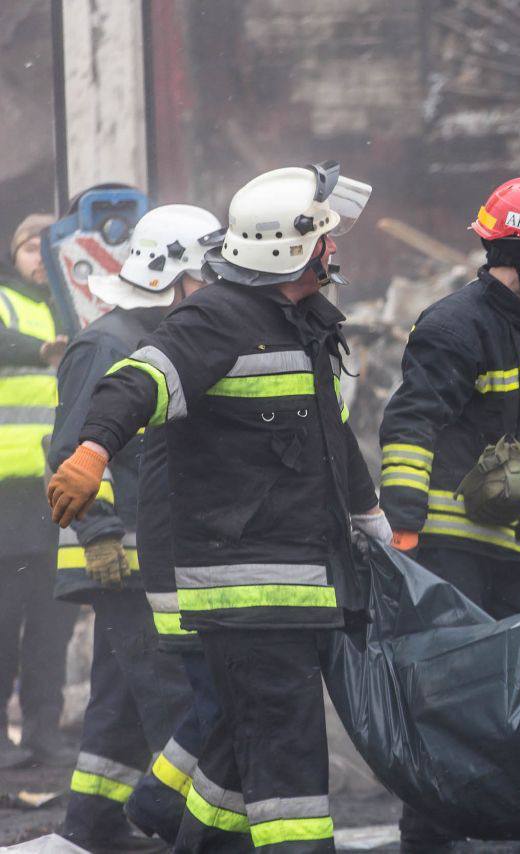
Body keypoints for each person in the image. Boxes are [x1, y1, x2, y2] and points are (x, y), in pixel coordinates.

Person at [47, 161, 389, 854]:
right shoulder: (217, 319)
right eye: (324, 239)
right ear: (290, 247)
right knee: (288, 759)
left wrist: (371, 521)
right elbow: (134, 382)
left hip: (301, 577)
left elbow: (332, 441)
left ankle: (180, 832)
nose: (333, 251)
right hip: (248, 586)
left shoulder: (304, 326)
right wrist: (92, 452)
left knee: (238, 741)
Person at [377, 177, 520, 851]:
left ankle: (497, 823)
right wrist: (404, 518)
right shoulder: (453, 324)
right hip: (450, 548)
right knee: (451, 699)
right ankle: (429, 837)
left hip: (513, 549)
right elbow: (410, 422)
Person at [50, 204, 227, 850]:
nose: (213, 287)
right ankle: (183, 823)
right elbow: (71, 450)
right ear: (169, 275)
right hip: (117, 556)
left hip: (141, 554)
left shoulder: (158, 341)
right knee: (172, 696)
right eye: (205, 274)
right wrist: (97, 533)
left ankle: (95, 821)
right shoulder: (111, 343)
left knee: (121, 698)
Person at [0, 212, 78, 768]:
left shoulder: (79, 305)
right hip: (6, 497)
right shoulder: (4, 303)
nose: (39, 256)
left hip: (62, 494)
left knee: (54, 624)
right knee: (5, 621)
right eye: (31, 246)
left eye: (49, 247)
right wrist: (43, 349)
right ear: (15, 254)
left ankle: (43, 736)